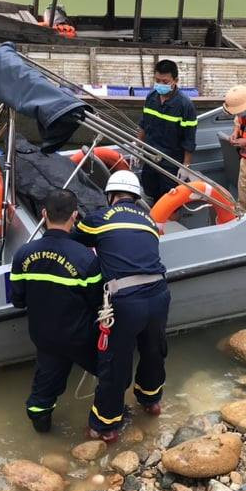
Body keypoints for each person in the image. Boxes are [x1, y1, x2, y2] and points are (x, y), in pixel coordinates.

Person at [74, 170, 170, 442]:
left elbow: (73, 244)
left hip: (126, 301)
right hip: (160, 294)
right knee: (153, 350)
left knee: (115, 361)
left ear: (110, 196)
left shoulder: (99, 219)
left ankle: (105, 425)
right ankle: (151, 401)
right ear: (135, 197)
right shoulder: (149, 221)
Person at [9, 188, 102, 433]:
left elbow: (17, 300)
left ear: (43, 214)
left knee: (44, 390)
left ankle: (41, 431)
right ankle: (105, 421)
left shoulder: (22, 255)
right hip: (80, 337)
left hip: (44, 337)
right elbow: (98, 303)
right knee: (113, 374)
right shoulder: (86, 258)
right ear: (75, 216)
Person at [138, 59, 198, 202]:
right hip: (150, 157)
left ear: (175, 80)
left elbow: (189, 140)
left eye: (165, 82)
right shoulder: (151, 98)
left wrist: (186, 167)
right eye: (157, 80)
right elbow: (143, 125)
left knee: (170, 203)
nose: (160, 85)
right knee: (149, 194)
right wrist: (137, 146)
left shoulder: (185, 105)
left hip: (171, 163)